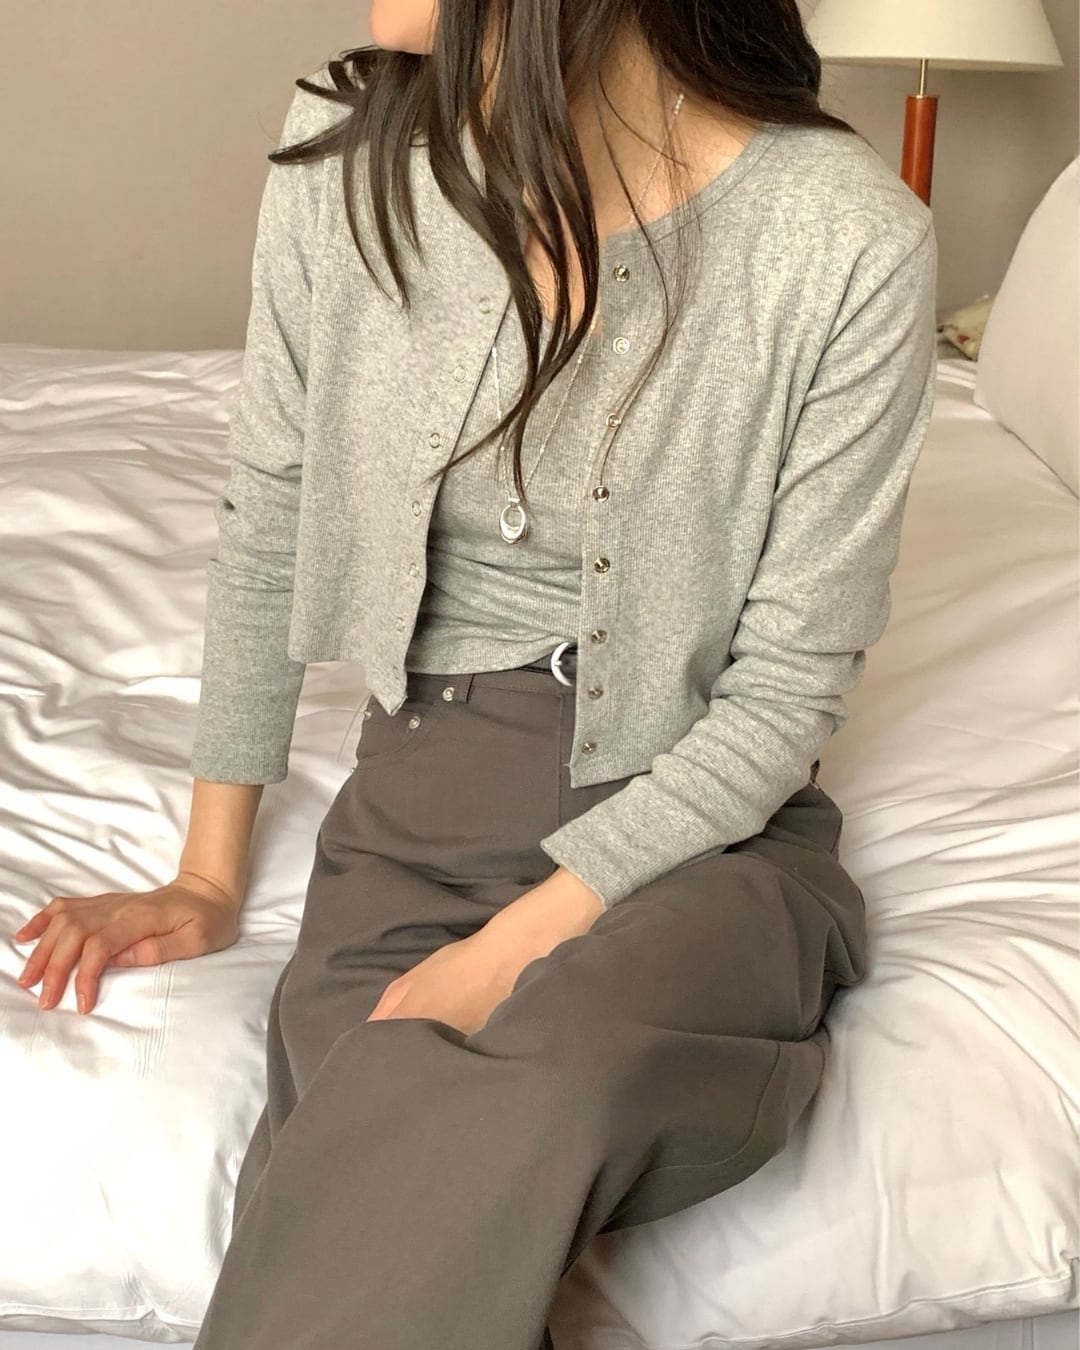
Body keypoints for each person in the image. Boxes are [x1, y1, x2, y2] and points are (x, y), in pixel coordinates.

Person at [13, 2, 939, 1347]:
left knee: (551, 1073)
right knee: (379, 1134)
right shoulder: (350, 151)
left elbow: (785, 697)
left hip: (703, 828)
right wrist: (207, 877)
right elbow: (270, 512)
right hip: (423, 805)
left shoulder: (846, 235)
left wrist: (509, 952)